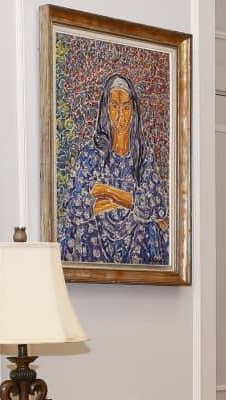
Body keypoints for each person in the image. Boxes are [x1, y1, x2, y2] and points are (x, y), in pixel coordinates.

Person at [58, 74, 168, 266]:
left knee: (150, 228)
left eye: (126, 107)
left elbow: (158, 207)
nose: (120, 116)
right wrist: (132, 203)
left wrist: (106, 191)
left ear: (133, 110)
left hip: (138, 244)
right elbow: (74, 206)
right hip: (93, 243)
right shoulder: (92, 154)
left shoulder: (143, 155)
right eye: (114, 106)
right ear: (106, 109)